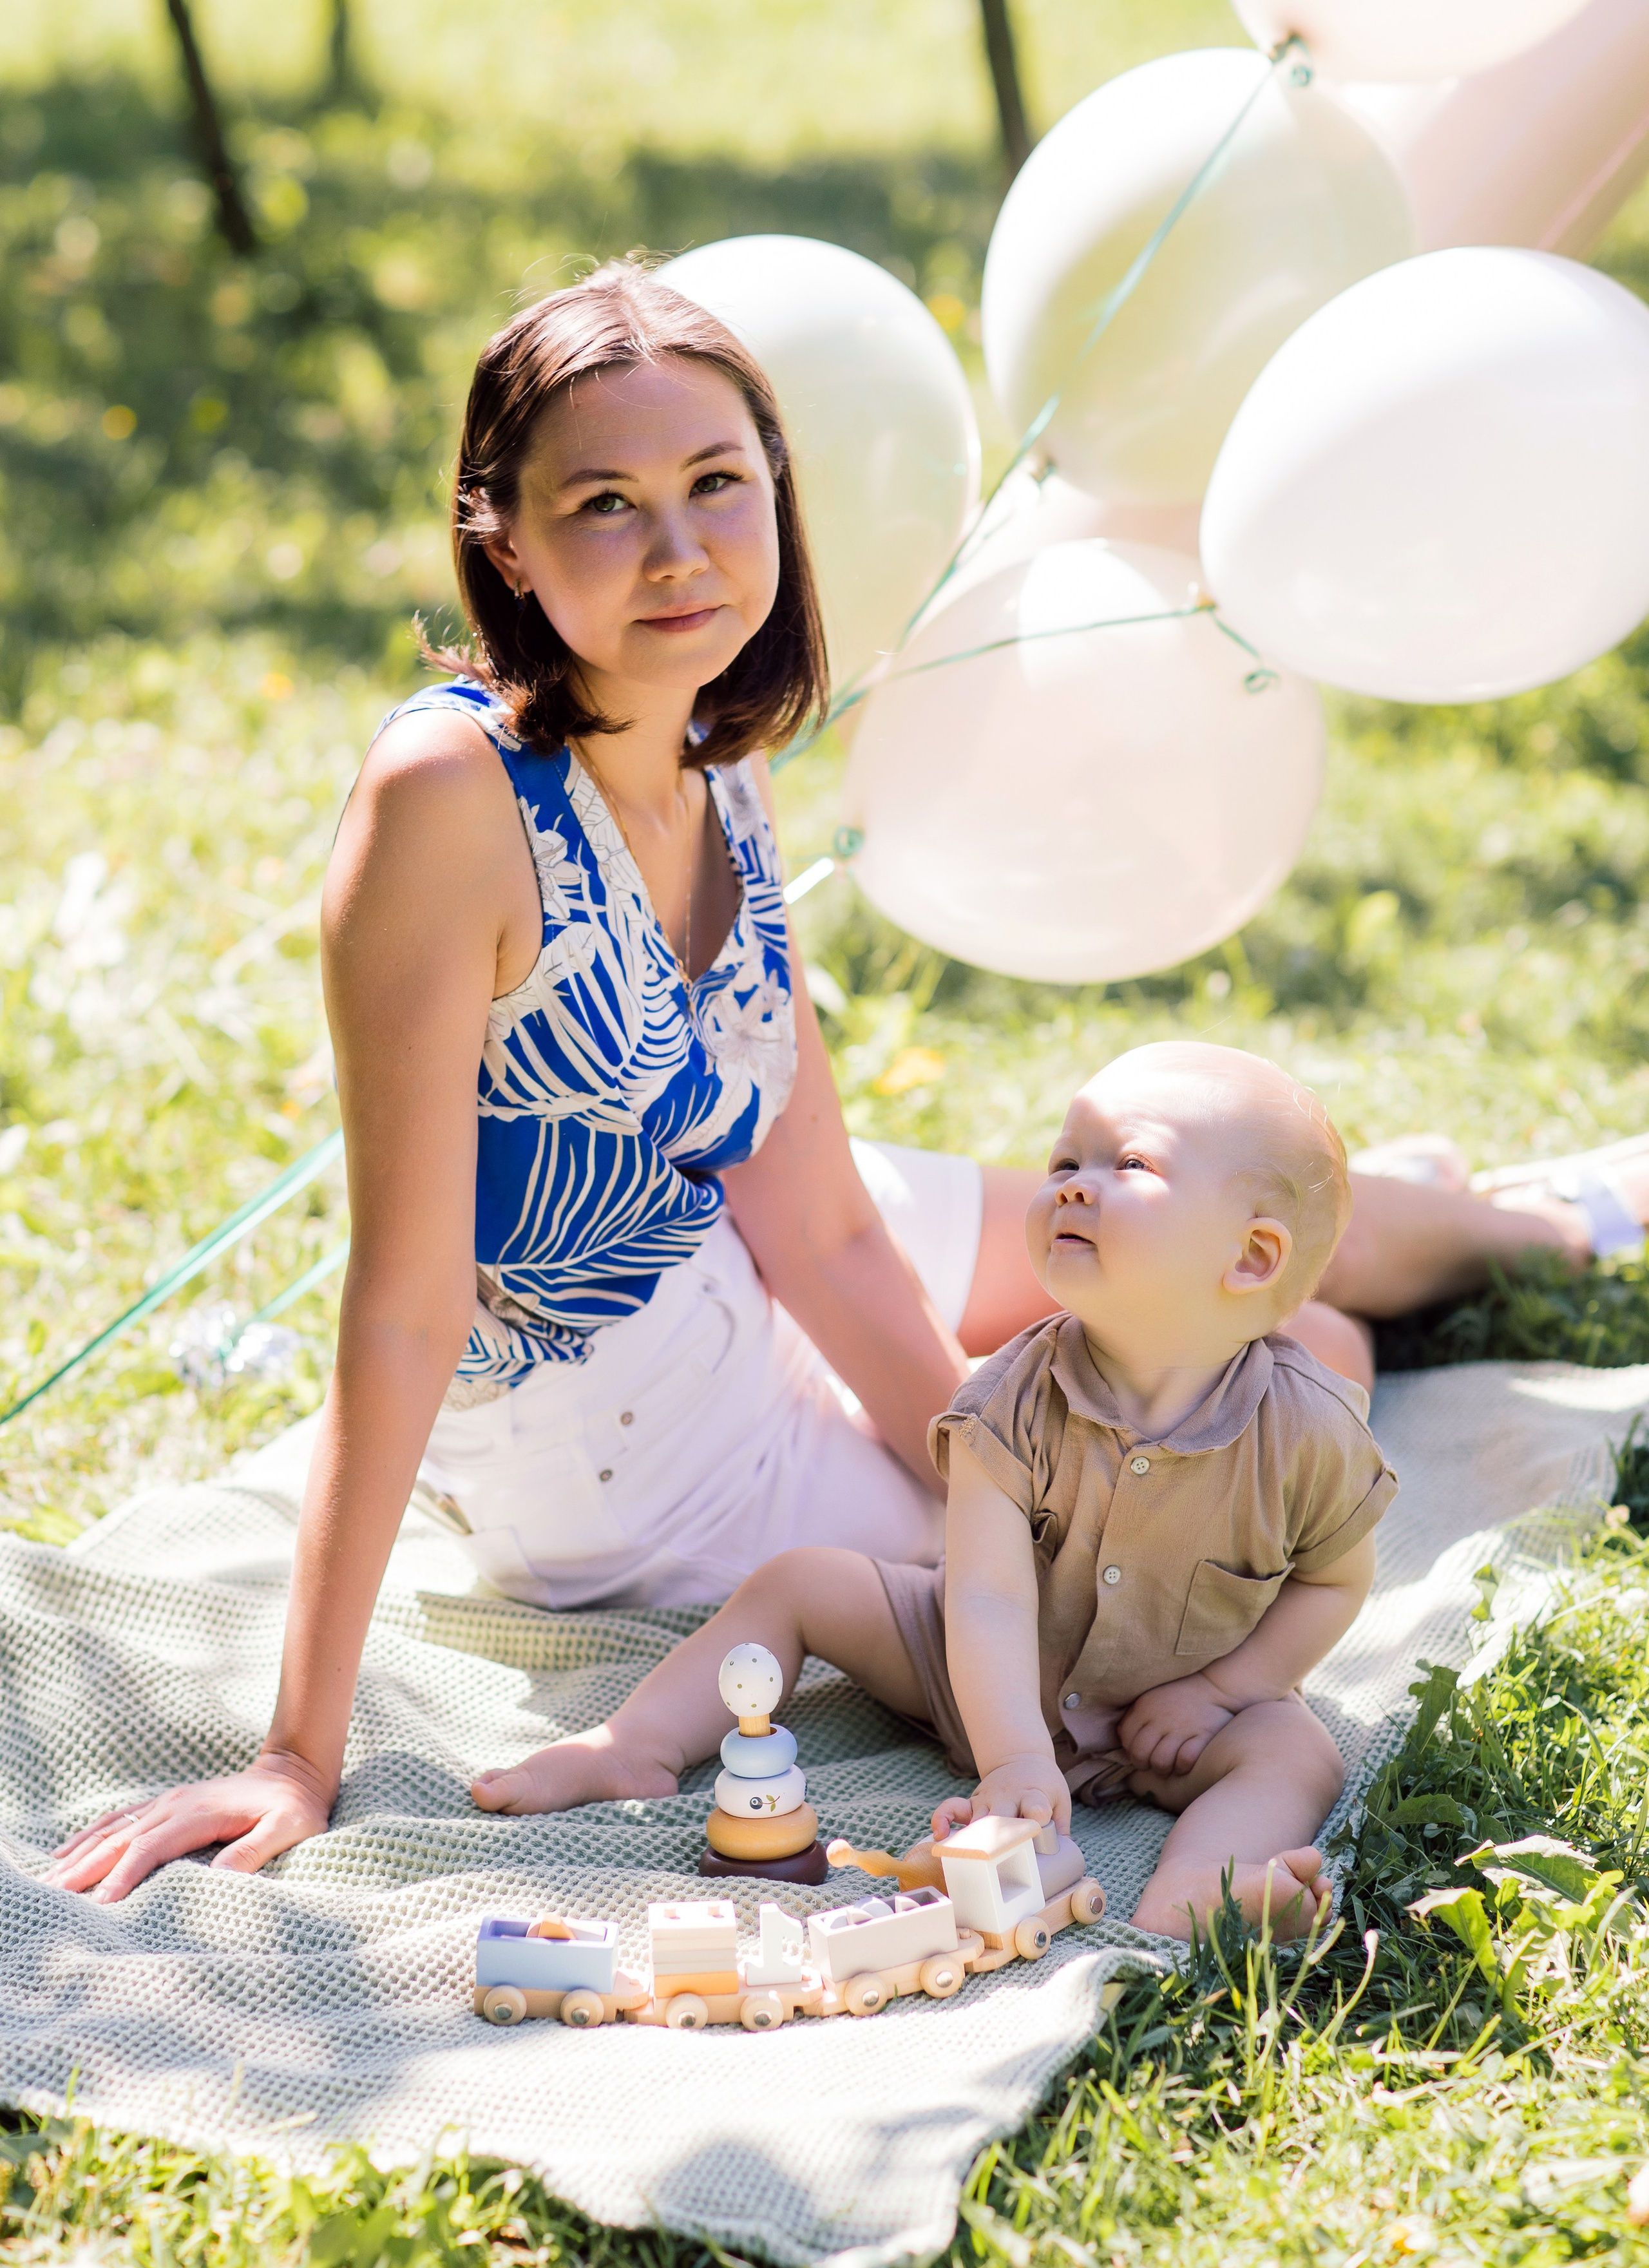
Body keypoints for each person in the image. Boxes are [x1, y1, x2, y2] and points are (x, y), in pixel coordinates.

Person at [44, 262, 1644, 1906]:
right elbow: (400, 1305)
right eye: (606, 502)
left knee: (1260, 1259)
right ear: (504, 541)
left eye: (717, 484)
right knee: (1302, 1346)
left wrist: (985, 1457)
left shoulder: (714, 755)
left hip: (764, 1249)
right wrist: (298, 1750)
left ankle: (1544, 1220)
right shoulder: (447, 799)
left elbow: (820, 1238)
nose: (679, 551)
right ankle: (1498, 1215)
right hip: (641, 1432)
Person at [470, 1042, 1395, 1939]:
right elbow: (986, 1594)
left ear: (1251, 1259)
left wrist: (1228, 1691)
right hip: (977, 1673)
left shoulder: (1309, 1431)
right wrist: (1018, 1758)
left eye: (1133, 1164)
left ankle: (1203, 1884)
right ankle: (640, 1741)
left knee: (1296, 1751)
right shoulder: (1008, 1400)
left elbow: (1334, 1583)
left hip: (1174, 1721)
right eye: (1066, 1159)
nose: (1074, 1183)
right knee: (802, 1585)